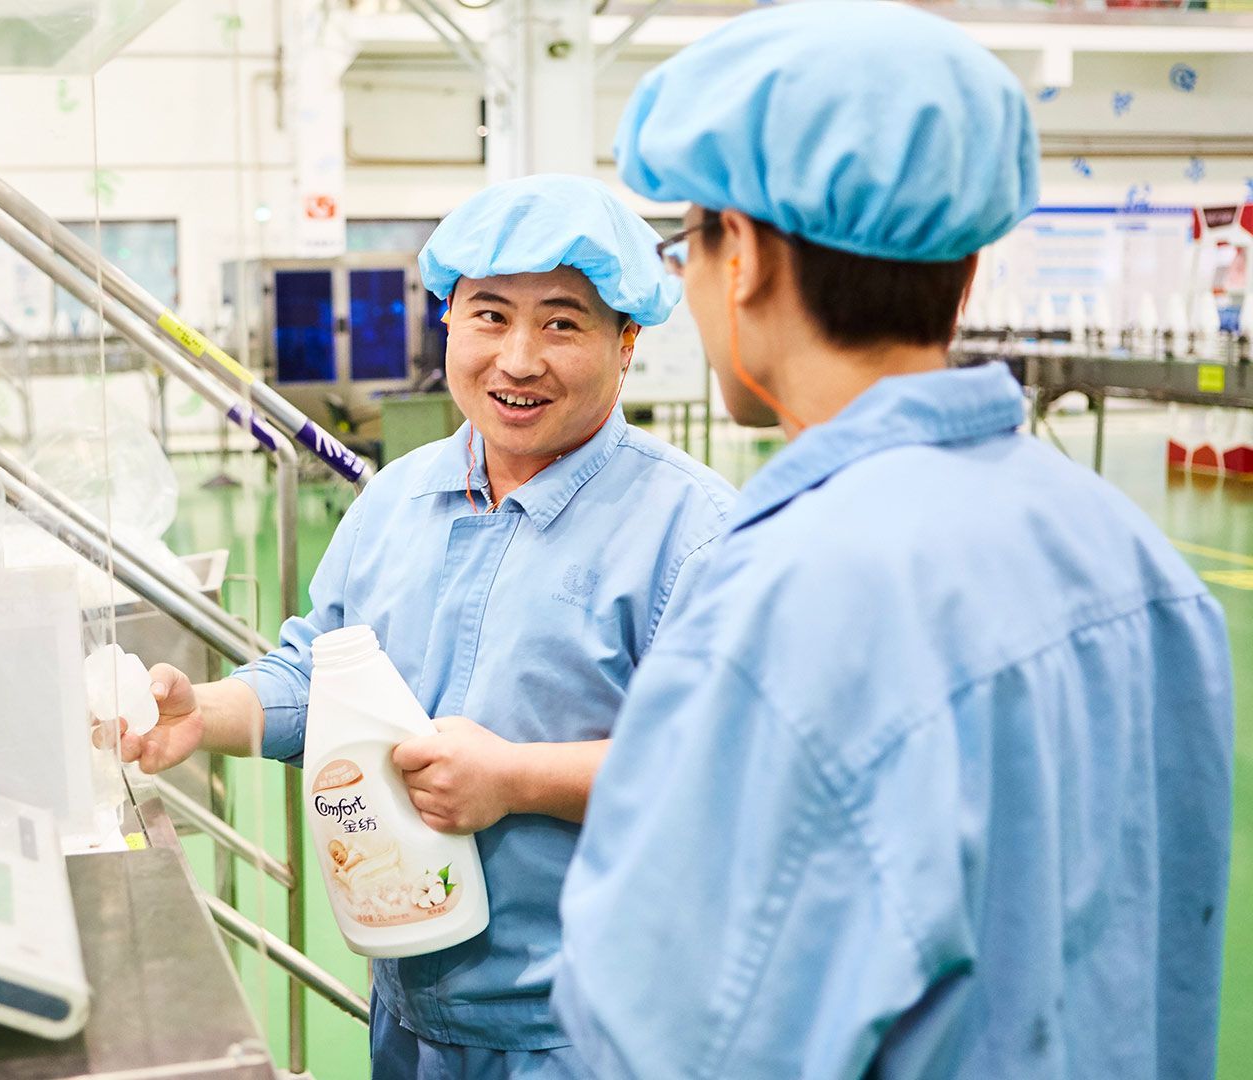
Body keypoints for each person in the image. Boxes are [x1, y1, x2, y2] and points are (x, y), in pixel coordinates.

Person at [553, 5, 1235, 1079]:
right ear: (962, 268)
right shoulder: (1133, 559)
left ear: (745, 257)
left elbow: (671, 1034)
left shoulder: (791, 597)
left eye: (687, 243)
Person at [117, 173, 735, 1077]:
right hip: (411, 1008)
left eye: (562, 322)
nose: (518, 360)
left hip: (596, 1029)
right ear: (446, 320)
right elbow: (316, 674)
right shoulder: (400, 498)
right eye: (489, 316)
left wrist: (516, 780)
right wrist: (201, 714)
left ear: (627, 340)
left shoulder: (690, 533)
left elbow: (722, 767)